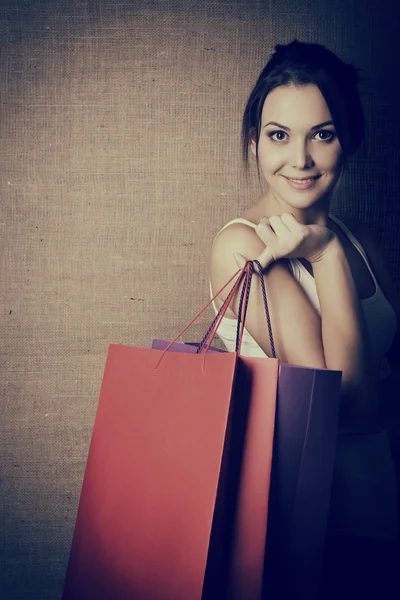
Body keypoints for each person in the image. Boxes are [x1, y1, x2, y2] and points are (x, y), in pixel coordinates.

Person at [208, 40, 400, 598]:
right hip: (307, 541)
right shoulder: (245, 248)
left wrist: (334, 246)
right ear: (254, 140)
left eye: (323, 133)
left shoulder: (361, 240)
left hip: (382, 520)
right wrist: (323, 256)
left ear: (349, 140)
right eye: (278, 135)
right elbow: (347, 401)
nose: (300, 159)